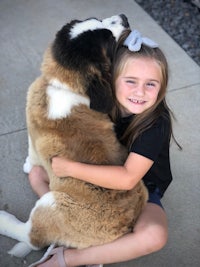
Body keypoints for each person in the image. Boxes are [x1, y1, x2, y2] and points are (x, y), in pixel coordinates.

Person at [28, 29, 180, 267]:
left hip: (140, 190)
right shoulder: (96, 100)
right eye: (131, 81)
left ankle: (67, 257)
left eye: (151, 84)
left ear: (161, 87)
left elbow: (128, 178)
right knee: (36, 174)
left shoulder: (155, 122)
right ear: (110, 78)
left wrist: (70, 168)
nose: (140, 92)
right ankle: (73, 224)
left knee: (154, 236)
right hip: (91, 174)